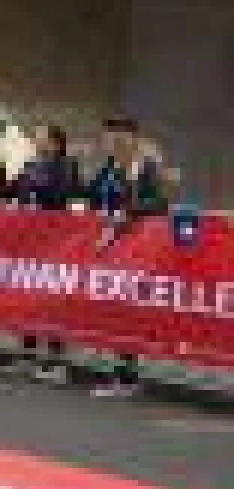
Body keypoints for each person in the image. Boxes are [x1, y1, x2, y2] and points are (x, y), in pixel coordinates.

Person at [84, 117, 171, 398]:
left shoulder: (146, 167)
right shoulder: (111, 167)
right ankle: (119, 373)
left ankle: (127, 377)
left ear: (133, 139)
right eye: (109, 139)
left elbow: (159, 203)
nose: (113, 144)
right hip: (113, 246)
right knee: (114, 312)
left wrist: (128, 212)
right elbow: (92, 195)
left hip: (138, 247)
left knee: (128, 312)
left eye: (119, 139)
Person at [0, 124, 78, 383]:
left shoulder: (66, 166)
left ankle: (57, 362)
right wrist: (1, 166)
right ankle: (26, 354)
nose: (36, 140)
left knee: (52, 302)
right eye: (36, 136)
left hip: (55, 242)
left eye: (41, 137)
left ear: (55, 143)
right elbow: (9, 193)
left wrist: (37, 185)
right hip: (28, 242)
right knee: (28, 299)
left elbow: (62, 195)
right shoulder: (30, 165)